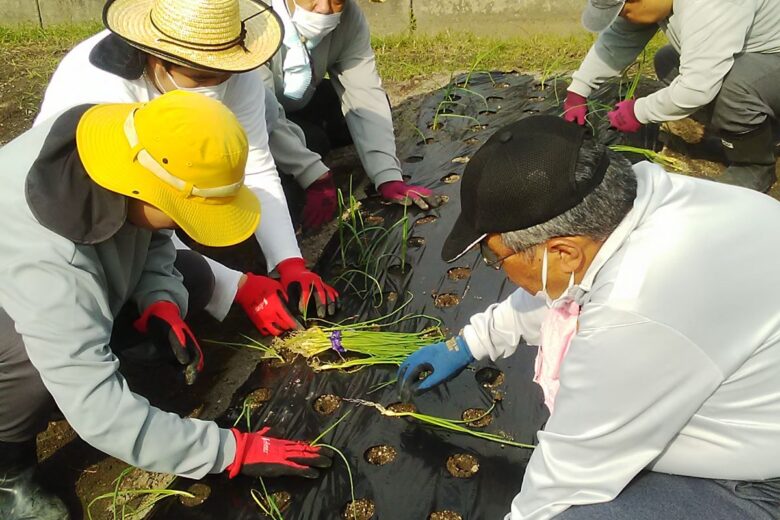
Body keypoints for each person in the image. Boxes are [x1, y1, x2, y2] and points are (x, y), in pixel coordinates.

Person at [397, 115, 780, 519]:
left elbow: (571, 470)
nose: (495, 266)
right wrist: (472, 342)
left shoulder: (634, 310)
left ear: (562, 251)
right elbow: (566, 289)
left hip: (757, 481)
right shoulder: (651, 196)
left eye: (494, 256)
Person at [0, 91, 332, 520]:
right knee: (26, 356)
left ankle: (113, 335)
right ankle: (8, 470)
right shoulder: (49, 263)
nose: (185, 224)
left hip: (68, 279)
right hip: (13, 298)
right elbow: (99, 411)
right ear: (146, 190)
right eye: (182, 211)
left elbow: (157, 239)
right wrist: (230, 449)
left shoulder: (127, 144)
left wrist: (161, 303)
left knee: (193, 279)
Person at [36, 0, 338, 337]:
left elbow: (254, 167)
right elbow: (137, 213)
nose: (217, 86)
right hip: (93, 216)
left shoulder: (237, 68)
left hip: (170, 194)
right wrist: (236, 287)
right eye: (199, 77)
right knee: (146, 293)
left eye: (225, 75)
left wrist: (289, 262)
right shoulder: (102, 86)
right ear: (156, 57)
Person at [562, 0, 780, 193]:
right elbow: (618, 40)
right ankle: (750, 131)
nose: (625, 19)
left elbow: (696, 89)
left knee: (730, 86)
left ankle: (753, 166)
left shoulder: (711, 5)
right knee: (667, 61)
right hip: (762, 58)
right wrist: (578, 89)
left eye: (625, 11)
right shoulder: (654, 5)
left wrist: (638, 112)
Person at [261, 0, 440, 229]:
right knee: (312, 143)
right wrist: (310, 171)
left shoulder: (349, 18)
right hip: (248, 113)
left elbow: (363, 89)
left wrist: (387, 175)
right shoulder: (252, 17)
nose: (324, 8)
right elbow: (258, 107)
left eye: (336, 0)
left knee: (364, 112)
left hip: (296, 100)